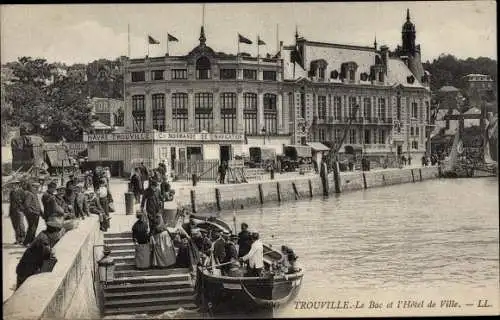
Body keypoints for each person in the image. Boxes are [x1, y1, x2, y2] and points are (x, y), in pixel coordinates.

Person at [15, 215, 65, 289]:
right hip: (26, 272)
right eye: (58, 233)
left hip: (23, 269)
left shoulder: (43, 234)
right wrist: (51, 252)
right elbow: (48, 259)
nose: (58, 236)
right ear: (54, 233)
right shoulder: (44, 242)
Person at [22, 182, 42, 246]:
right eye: (35, 187)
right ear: (31, 187)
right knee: (32, 228)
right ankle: (26, 242)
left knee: (34, 228)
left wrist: (41, 213)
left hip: (36, 213)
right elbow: (26, 205)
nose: (36, 189)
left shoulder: (34, 194)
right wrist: (31, 212)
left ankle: (31, 241)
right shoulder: (29, 194)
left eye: (37, 187)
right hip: (33, 214)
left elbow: (38, 205)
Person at [9, 181, 26, 245]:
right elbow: (11, 203)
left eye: (15, 185)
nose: (13, 186)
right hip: (13, 211)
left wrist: (22, 208)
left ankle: (23, 239)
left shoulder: (21, 192)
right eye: (12, 185)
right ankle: (18, 239)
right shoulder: (11, 192)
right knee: (15, 225)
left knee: (21, 225)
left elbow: (25, 202)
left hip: (19, 211)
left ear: (18, 185)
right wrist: (10, 212)